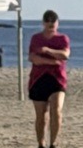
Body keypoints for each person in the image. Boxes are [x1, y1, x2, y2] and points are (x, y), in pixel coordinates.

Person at [28, 10, 70, 148]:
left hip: (57, 79)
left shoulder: (62, 38)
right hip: (38, 78)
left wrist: (47, 51)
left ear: (57, 23)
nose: (50, 23)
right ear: (43, 22)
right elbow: (33, 58)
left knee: (56, 110)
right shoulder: (36, 38)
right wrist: (52, 61)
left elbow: (64, 55)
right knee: (41, 115)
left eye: (53, 20)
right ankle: (41, 143)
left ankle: (53, 143)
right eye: (48, 20)